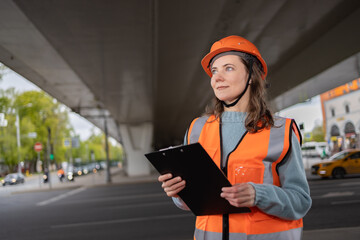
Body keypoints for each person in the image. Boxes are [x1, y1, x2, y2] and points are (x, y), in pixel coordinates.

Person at [158, 35, 312, 240]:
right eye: (214, 71)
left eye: (228, 68)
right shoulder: (197, 129)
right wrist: (179, 193)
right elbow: (194, 203)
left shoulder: (280, 131)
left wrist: (259, 195)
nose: (217, 77)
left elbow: (300, 201)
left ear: (251, 76)